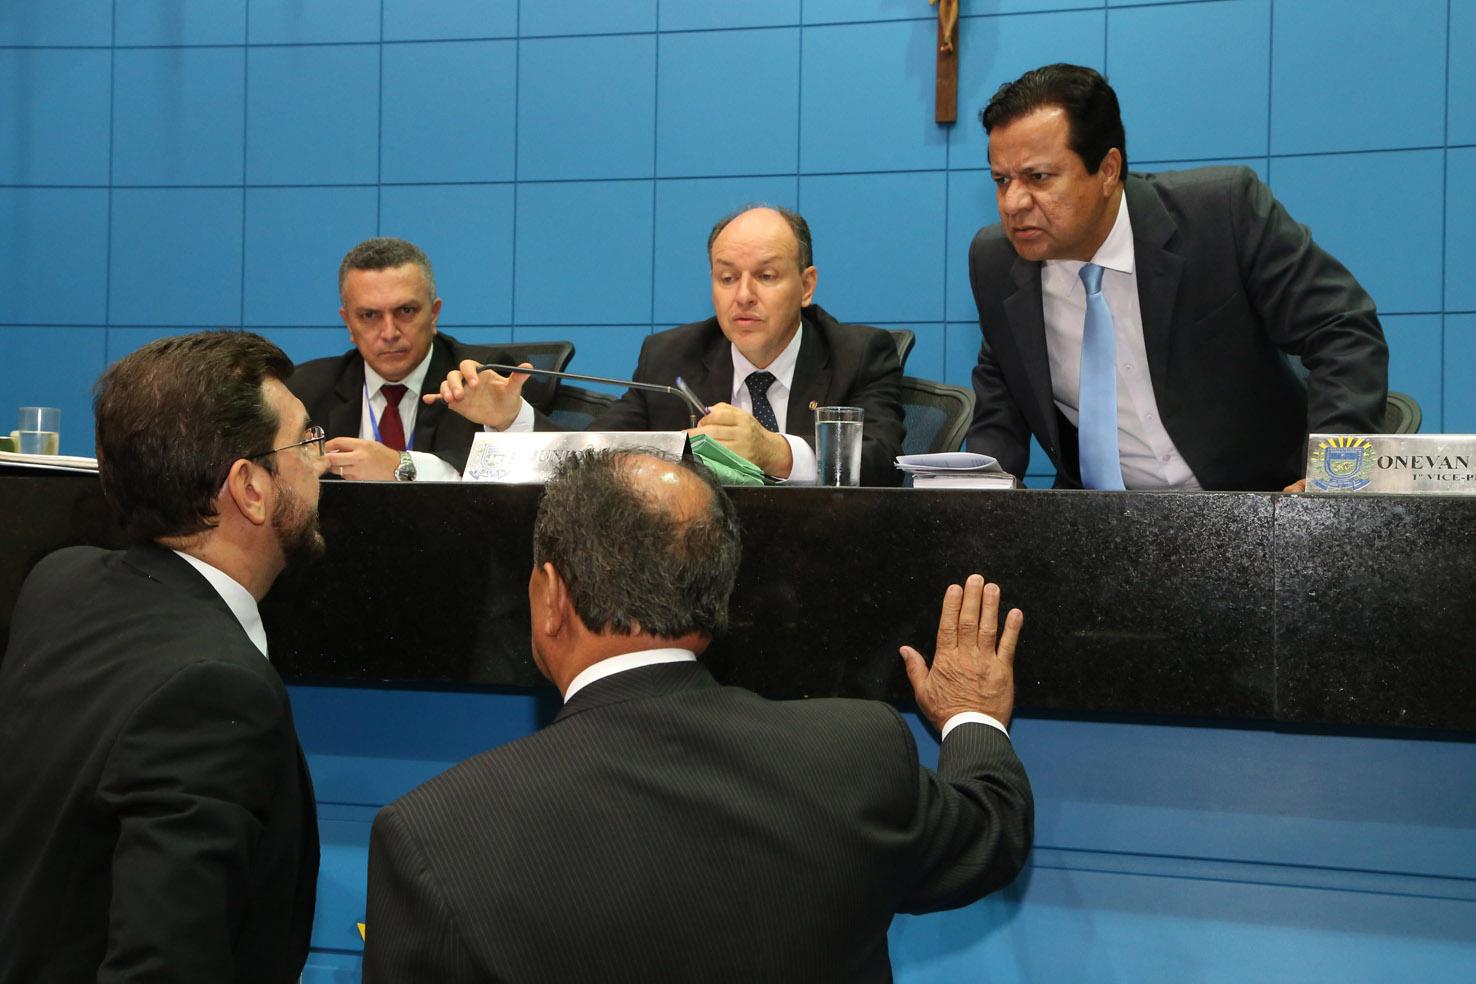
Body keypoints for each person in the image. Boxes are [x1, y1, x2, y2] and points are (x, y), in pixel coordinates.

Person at [362, 449, 1033, 982]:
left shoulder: (432, 838)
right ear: (717, 592)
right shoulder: (858, 753)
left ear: (550, 597)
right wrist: (970, 715)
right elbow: (991, 831)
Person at [0, 332, 326, 983]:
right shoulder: (217, 688)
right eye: (304, 442)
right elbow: (167, 962)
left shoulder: (60, 582)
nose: (319, 463)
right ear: (250, 488)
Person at [966, 63, 1388, 492]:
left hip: (1262, 506)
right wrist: (971, 500)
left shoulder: (1221, 214)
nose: (1013, 203)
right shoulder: (995, 263)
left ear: (1108, 170)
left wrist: (1332, 481)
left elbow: (1341, 329)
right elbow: (1000, 413)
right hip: (1098, 522)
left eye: (1038, 177)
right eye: (1001, 180)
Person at [432, 207, 908, 486]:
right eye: (727, 278)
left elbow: (884, 461)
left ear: (806, 286)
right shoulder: (670, 356)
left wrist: (775, 451)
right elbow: (594, 456)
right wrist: (509, 420)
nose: (743, 295)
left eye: (766, 276)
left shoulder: (858, 353)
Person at [289, 237, 555, 481]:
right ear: (348, 323)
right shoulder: (303, 390)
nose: (389, 333)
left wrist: (510, 421)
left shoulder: (479, 378)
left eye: (406, 310)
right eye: (369, 315)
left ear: (434, 314)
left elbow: (560, 472)